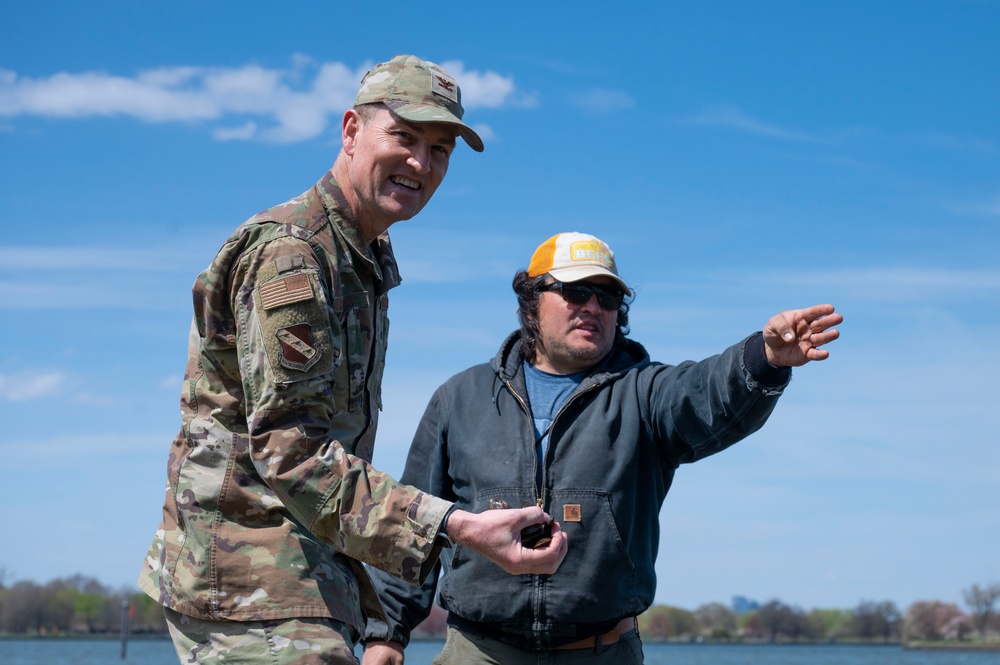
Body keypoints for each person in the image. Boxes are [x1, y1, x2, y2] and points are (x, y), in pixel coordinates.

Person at [137, 55, 567, 665]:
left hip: (306, 571)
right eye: (404, 136)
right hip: (248, 577)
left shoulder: (362, 259)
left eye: (440, 149)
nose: (422, 162)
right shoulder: (293, 256)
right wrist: (457, 527)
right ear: (350, 131)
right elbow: (293, 453)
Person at [362, 232, 843, 664]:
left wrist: (764, 358)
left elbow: (706, 391)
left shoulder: (647, 393)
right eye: (575, 291)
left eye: (608, 295)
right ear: (532, 302)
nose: (593, 305)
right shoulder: (458, 398)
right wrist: (387, 634)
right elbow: (415, 525)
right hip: (479, 651)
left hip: (604, 653)